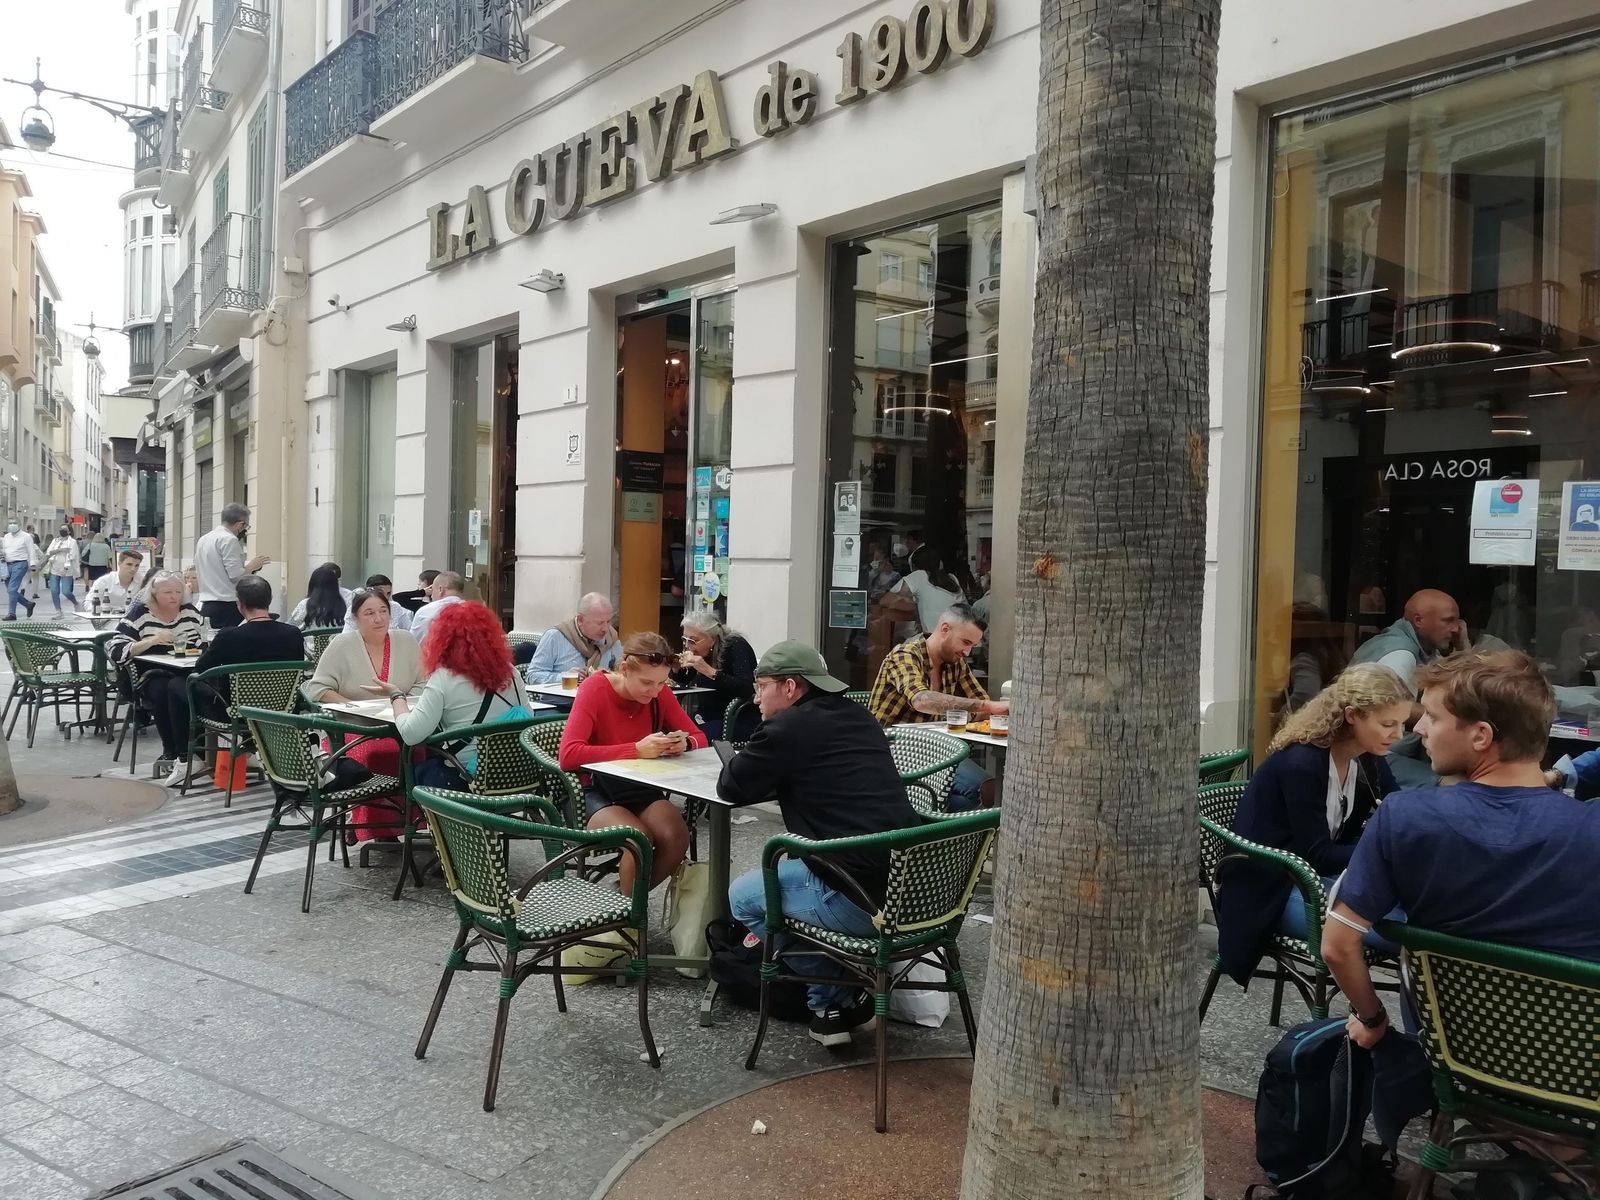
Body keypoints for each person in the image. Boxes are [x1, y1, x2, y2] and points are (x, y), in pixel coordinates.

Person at [1324, 651, 1600, 1056]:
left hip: (1453, 1063)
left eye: (1433, 717)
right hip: (1574, 1073)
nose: (1418, 729)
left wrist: (1373, 1019)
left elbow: (1336, 945)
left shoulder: (1406, 819)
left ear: (1481, 736)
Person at [720, 641, 916, 1046]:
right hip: (913, 891)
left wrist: (762, 740)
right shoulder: (859, 717)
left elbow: (732, 786)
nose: (755, 698)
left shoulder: (786, 729)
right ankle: (838, 1003)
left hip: (859, 900)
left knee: (742, 897)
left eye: (761, 687)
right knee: (790, 877)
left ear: (790, 687)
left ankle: (833, 998)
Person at [1214, 664, 1411, 987]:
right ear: (1352, 716)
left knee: (1425, 913)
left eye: (1402, 724)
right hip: (1271, 890)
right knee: (1408, 933)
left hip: (1319, 878)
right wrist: (1384, 852)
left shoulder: (1367, 756)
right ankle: (1388, 1022)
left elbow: (1397, 811)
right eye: (1388, 724)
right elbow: (1317, 854)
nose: (1398, 735)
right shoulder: (1301, 763)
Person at [558, 631, 705, 898]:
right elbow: (568, 755)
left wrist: (683, 744)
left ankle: (624, 902)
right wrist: (635, 750)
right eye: (647, 683)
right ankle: (628, 917)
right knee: (638, 838)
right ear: (624, 668)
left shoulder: (659, 694)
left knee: (676, 836)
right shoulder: (595, 688)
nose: (655, 691)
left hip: (638, 785)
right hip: (593, 790)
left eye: (662, 683)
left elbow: (699, 737)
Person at [304, 588, 424, 840]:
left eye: (383, 611)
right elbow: (316, 688)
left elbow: (422, 684)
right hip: (354, 729)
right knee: (372, 754)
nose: (378, 619)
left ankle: (413, 822)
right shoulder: (343, 644)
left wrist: (399, 701)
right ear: (356, 618)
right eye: (369, 613)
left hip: (401, 724)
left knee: (421, 752)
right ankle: (371, 829)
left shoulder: (406, 640)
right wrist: (351, 705)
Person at [868, 603, 1009, 808]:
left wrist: (996, 711)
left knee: (979, 794)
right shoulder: (905, 654)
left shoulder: (955, 663)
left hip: (934, 749)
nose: (967, 652)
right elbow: (921, 700)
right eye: (965, 642)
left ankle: (945, 834)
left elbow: (982, 706)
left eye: (972, 646)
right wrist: (986, 706)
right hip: (892, 750)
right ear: (945, 629)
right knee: (983, 790)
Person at [393, 601, 534, 790]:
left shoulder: (443, 679)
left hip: (467, 778)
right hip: (515, 777)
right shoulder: (511, 673)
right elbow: (528, 718)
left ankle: (430, 819)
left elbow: (411, 734)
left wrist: (397, 698)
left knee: (416, 770)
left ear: (442, 639)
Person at [1348, 588, 1465, 788]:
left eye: (1458, 621)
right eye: (1448, 621)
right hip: (1369, 757)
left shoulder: (1425, 648)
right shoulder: (1400, 654)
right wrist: (1443, 718)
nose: (1457, 629)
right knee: (1456, 785)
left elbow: (1459, 688)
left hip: (1388, 749)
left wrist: (1463, 649)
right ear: (1418, 620)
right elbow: (1388, 705)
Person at [106, 570, 206, 786]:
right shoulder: (140, 614)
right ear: (154, 593)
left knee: (194, 688)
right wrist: (151, 640)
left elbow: (203, 639)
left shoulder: (189, 612)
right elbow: (115, 649)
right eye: (168, 592)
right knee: (166, 690)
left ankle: (197, 751)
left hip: (184, 670)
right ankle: (173, 752)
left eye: (178, 592)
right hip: (148, 674)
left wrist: (201, 647)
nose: (174, 597)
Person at [190, 575, 306, 711]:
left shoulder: (228, 636)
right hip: (283, 709)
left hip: (235, 712)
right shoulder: (293, 634)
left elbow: (201, 668)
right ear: (270, 600)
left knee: (177, 686)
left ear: (239, 604)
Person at [676, 609, 756, 739]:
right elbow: (684, 681)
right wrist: (675, 669)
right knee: (674, 732)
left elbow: (746, 688)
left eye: (693, 640)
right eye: (685, 639)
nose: (687, 645)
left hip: (734, 718)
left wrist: (709, 671)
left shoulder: (735, 645)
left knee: (690, 738)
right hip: (705, 715)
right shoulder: (701, 651)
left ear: (712, 639)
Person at [194, 503, 270, 630]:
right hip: (226, 603)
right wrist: (251, 566)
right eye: (246, 526)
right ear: (240, 524)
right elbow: (236, 576)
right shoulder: (229, 539)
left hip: (207, 602)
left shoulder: (204, 539)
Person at [525, 592, 620, 686]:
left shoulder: (611, 638)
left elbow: (622, 673)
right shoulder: (555, 636)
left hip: (597, 698)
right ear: (580, 620)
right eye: (600, 623)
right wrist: (564, 677)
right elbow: (532, 676)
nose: (605, 628)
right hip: (561, 700)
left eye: (608, 621)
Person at [891, 545, 965, 635]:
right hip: (962, 635)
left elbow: (887, 601)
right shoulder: (952, 578)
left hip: (936, 639)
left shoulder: (919, 575)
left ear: (915, 566)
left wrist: (916, 608)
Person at [410, 570, 466, 650]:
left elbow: (414, 643)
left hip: (432, 659)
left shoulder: (426, 612)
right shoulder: (475, 613)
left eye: (432, 590)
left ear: (440, 589)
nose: (431, 596)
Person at [86, 549, 146, 617]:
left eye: (137, 565)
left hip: (133, 622)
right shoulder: (104, 581)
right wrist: (104, 611)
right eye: (129, 564)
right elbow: (88, 603)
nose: (133, 569)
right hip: (107, 620)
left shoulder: (143, 581)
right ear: (119, 564)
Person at [347, 574, 412, 633]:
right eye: (381, 593)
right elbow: (347, 637)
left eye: (388, 593)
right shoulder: (356, 608)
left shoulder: (395, 607)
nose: (386, 597)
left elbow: (410, 631)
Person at [2, 519, 36, 620]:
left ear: (20, 525)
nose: (12, 525)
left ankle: (12, 613)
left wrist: (33, 564)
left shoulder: (26, 536)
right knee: (10, 590)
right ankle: (28, 604)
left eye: (14, 523)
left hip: (20, 563)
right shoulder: (7, 537)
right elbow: (5, 549)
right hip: (7, 565)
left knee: (12, 589)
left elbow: (31, 550)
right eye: (10, 523)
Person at [43, 525, 80, 615]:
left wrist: (66, 568)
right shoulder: (55, 541)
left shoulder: (72, 542)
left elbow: (72, 555)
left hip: (66, 570)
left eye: (64, 529)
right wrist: (61, 550)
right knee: (54, 590)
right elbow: (49, 552)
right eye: (61, 529)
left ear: (69, 531)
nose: (62, 531)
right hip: (54, 568)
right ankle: (58, 610)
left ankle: (76, 603)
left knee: (66, 591)